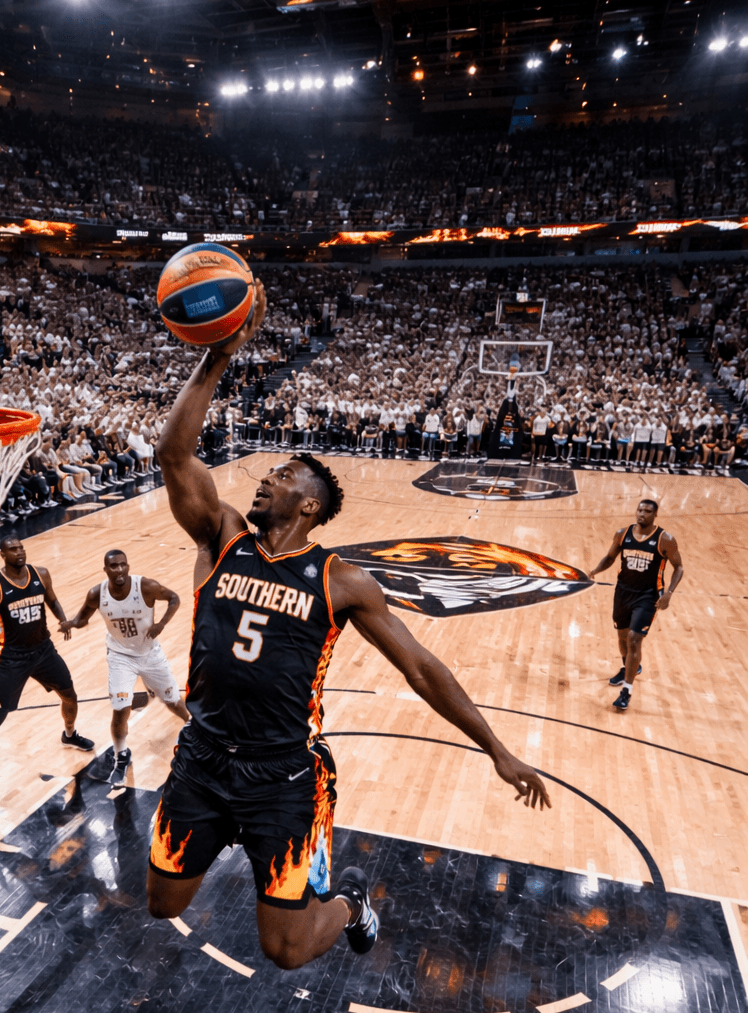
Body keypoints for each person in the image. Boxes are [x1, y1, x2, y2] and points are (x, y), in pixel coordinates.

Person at [147, 281, 550, 972]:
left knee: (287, 951)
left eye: (281, 476)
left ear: (307, 505)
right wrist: (218, 357)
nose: (265, 480)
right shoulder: (222, 538)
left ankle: (352, 906)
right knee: (161, 903)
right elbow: (173, 456)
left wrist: (497, 749)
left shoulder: (339, 580)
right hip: (203, 757)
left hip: (283, 777)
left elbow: (420, 667)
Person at [0, 538, 93, 802]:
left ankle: (69, 734)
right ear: (2, 555)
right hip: (11, 658)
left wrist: (63, 620)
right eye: (13, 549)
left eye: (21, 547)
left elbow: (52, 599)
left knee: (70, 695)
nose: (20, 552)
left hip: (43, 650)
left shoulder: (41, 574)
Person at [66, 549, 190, 789]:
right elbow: (83, 618)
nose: (119, 569)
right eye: (113, 566)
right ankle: (121, 755)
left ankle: (190, 724)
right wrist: (71, 623)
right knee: (120, 707)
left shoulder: (145, 587)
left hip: (149, 654)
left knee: (172, 700)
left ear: (128, 566)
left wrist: (161, 624)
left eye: (123, 565)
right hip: (120, 656)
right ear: (105, 570)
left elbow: (174, 598)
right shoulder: (97, 593)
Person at [587, 497, 684, 712]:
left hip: (648, 596)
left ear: (655, 515)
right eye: (640, 510)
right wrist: (594, 571)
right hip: (623, 593)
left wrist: (669, 593)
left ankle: (626, 691)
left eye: (648, 511)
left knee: (634, 639)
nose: (642, 514)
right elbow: (610, 557)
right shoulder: (623, 533)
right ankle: (628, 667)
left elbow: (679, 568)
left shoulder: (665, 539)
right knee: (622, 637)